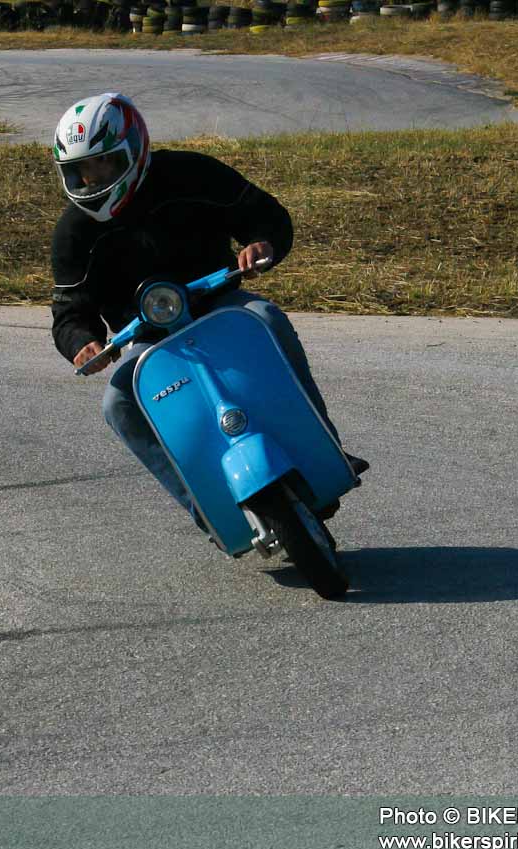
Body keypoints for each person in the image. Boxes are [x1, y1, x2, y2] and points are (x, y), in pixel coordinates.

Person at [48, 92, 366, 529]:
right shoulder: (73, 231)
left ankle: (324, 446)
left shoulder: (192, 174)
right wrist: (82, 343)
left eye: (104, 163)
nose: (92, 177)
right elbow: (69, 309)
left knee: (267, 319)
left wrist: (263, 243)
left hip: (219, 303)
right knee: (118, 404)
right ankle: (207, 510)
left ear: (134, 149)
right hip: (146, 337)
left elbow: (266, 214)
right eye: (82, 169)